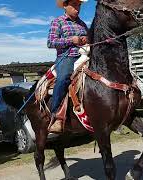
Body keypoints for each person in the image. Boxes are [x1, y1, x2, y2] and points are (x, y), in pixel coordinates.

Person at [47, 0, 88, 133]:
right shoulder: (57, 22)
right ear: (65, 6)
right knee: (64, 77)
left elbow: (89, 38)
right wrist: (71, 40)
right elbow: (51, 42)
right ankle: (56, 115)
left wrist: (87, 39)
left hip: (85, 55)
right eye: (74, 5)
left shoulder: (82, 24)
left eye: (79, 5)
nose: (78, 8)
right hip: (67, 57)